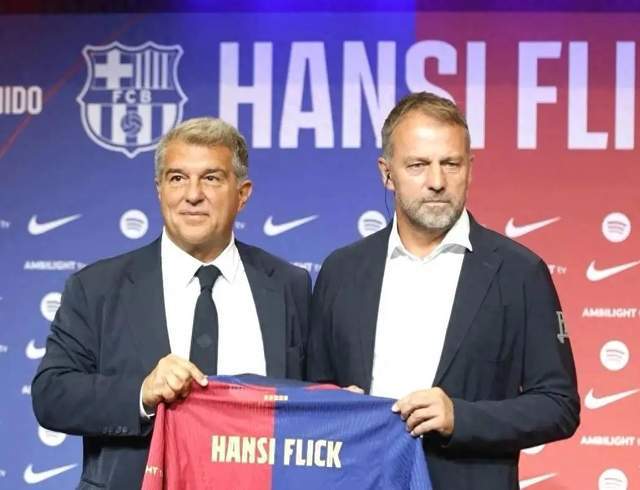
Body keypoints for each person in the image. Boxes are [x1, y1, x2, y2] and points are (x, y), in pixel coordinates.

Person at [306, 92, 579, 489]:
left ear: (470, 168)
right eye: (418, 165)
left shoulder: (519, 272)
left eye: (450, 164)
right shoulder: (342, 270)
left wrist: (459, 417)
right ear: (387, 173)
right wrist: (335, 403)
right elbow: (310, 392)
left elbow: (559, 405)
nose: (436, 182)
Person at [32, 117, 311, 489]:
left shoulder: (289, 285)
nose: (192, 194)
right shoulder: (97, 287)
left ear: (242, 194)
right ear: (159, 189)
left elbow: (313, 401)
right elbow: (52, 394)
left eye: (211, 178)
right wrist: (142, 392)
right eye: (177, 178)